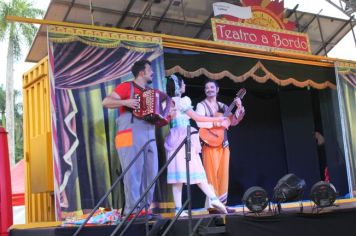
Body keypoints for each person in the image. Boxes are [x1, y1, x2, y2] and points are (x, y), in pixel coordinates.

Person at [164, 74, 228, 216]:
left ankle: (179, 209)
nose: (185, 86)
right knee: (196, 172)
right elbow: (197, 118)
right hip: (183, 137)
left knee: (178, 178)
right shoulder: (182, 101)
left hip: (174, 137)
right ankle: (213, 199)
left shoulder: (167, 102)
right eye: (183, 83)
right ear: (178, 86)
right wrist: (219, 120)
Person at [102, 59, 157, 219]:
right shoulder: (126, 87)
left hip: (149, 133)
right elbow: (106, 102)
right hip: (127, 134)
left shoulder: (150, 93)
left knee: (151, 172)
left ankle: (145, 208)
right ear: (142, 72)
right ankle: (132, 211)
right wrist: (126, 101)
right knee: (132, 172)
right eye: (150, 70)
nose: (152, 72)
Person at [195, 79, 245, 213]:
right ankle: (213, 205)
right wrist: (218, 123)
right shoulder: (201, 105)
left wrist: (239, 108)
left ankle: (223, 205)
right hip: (209, 143)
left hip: (223, 143)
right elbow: (200, 123)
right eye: (207, 88)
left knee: (223, 175)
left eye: (212, 87)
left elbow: (233, 121)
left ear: (217, 90)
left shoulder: (223, 106)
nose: (209, 89)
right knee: (211, 175)